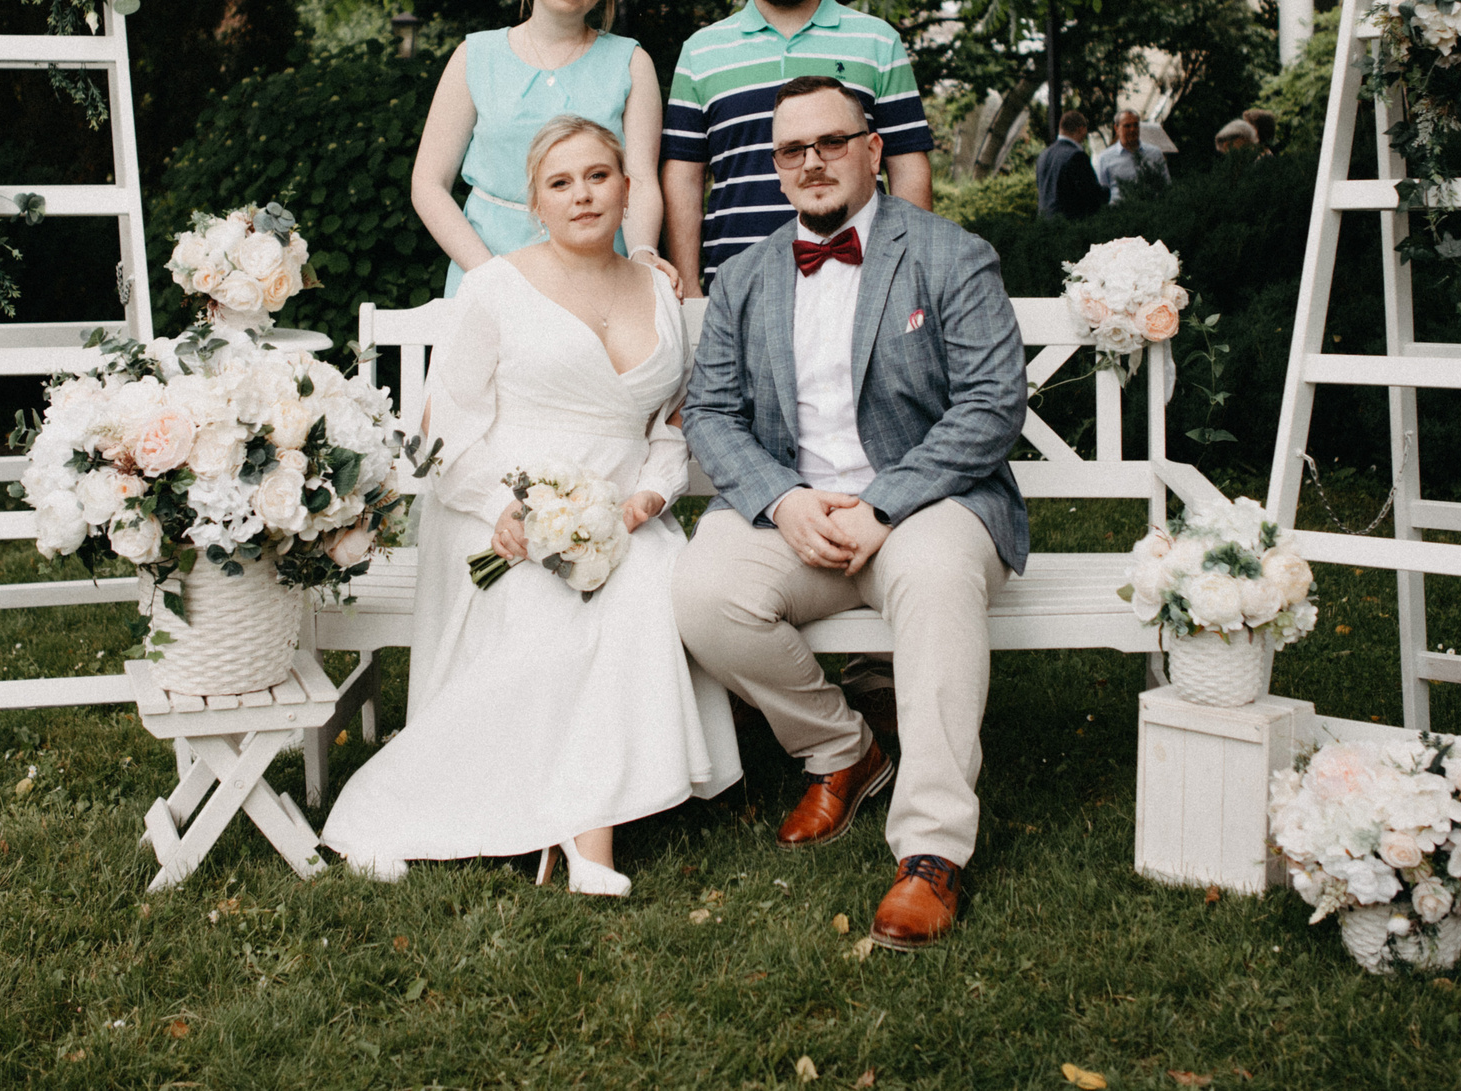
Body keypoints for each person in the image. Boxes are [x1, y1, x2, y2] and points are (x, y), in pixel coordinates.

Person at [324, 116, 741, 892]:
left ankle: (581, 836)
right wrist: (507, 509)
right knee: (551, 616)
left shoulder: (658, 285)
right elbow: (441, 430)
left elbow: (669, 427)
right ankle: (545, 832)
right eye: (561, 183)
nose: (582, 194)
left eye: (598, 176)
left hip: (623, 513)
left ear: (627, 189)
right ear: (534, 204)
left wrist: (649, 497)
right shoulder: (495, 289)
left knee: (648, 588)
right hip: (501, 516)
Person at [673, 76, 1029, 950]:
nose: (813, 161)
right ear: (775, 167)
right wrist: (781, 498)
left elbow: (991, 403)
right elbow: (710, 413)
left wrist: (884, 503)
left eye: (832, 142)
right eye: (793, 149)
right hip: (798, 509)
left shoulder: (950, 254)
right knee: (702, 593)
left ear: (872, 150)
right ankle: (842, 749)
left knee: (941, 579)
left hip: (927, 503)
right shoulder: (747, 273)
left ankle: (932, 851)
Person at [661, 0, 932, 297]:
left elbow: (908, 168)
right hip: (737, 294)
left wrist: (911, 276)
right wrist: (691, 287)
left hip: (862, 287)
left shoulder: (877, 41)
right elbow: (683, 179)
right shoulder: (700, 52)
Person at [412, 0, 676, 296]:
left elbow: (638, 179)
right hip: (490, 276)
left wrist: (642, 254)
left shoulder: (632, 63)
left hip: (599, 278)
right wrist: (490, 276)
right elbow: (429, 183)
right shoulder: (475, 56)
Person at [1034, 110, 1107, 220]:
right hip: (1068, 225)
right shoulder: (1076, 156)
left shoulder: (1043, 155)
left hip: (1044, 223)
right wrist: (1107, 191)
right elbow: (1091, 195)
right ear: (1081, 129)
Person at [1091, 110, 1170, 203]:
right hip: (1119, 212)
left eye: (1135, 125)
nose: (1132, 129)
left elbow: (1166, 185)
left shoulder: (1155, 153)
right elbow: (1102, 192)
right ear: (1117, 128)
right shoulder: (1105, 157)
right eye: (1127, 126)